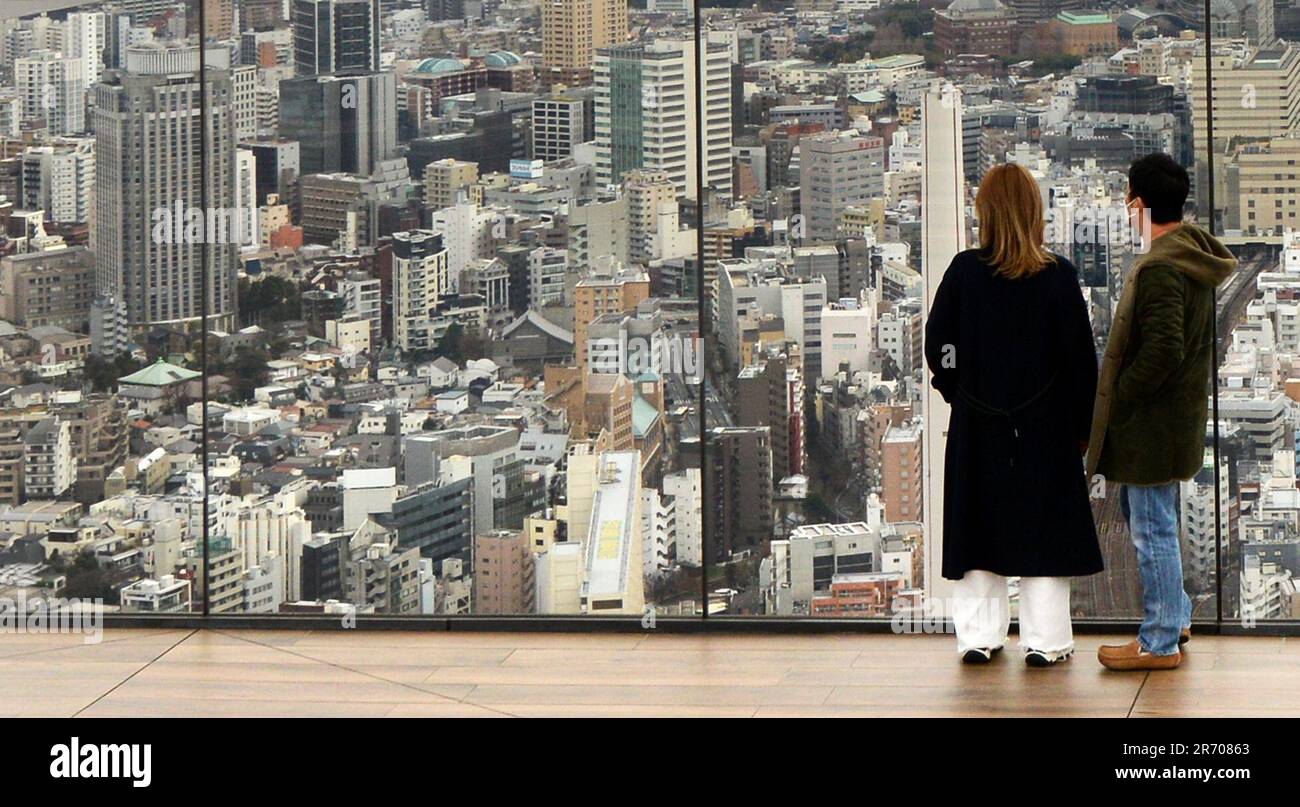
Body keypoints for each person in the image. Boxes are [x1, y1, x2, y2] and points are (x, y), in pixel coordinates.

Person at [925, 163, 1104, 667]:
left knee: (978, 524)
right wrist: (1078, 428)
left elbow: (940, 346)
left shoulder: (964, 272)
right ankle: (1045, 641)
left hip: (978, 423)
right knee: (1043, 530)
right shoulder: (1058, 277)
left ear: (984, 213)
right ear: (1034, 212)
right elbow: (1079, 363)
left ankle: (980, 637)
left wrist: (956, 388)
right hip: (1045, 427)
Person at [1087, 153, 1236, 671]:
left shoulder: (1161, 268)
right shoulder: (1191, 253)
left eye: (1129, 199)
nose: (1126, 209)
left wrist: (1121, 392)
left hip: (1151, 427)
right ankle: (1175, 614)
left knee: (1151, 528)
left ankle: (1159, 639)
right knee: (1154, 520)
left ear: (1140, 203)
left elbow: (1163, 349)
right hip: (1175, 421)